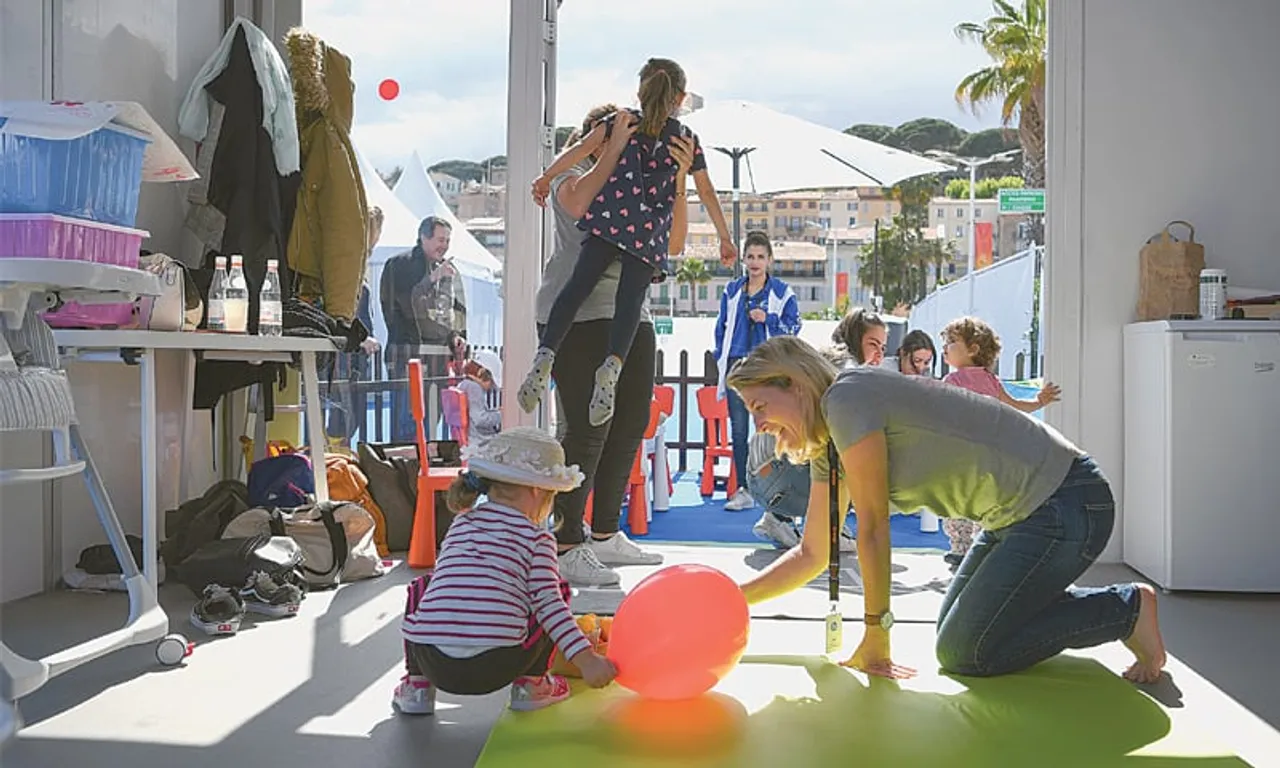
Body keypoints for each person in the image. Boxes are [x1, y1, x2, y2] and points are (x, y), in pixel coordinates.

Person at [726, 335, 1167, 684]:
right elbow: (813, 553)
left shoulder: (847, 398)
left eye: (760, 406)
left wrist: (877, 634)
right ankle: (1060, 600)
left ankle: (1124, 611)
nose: (759, 422)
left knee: (967, 652)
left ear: (796, 384)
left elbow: (875, 528)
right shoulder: (830, 442)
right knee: (955, 636)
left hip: (1066, 501)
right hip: (1013, 518)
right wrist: (732, 601)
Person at [519, 58, 737, 427]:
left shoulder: (622, 122)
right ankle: (612, 367)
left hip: (610, 222)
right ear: (681, 98)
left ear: (639, 91)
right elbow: (707, 191)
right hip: (647, 236)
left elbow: (576, 150)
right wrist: (725, 237)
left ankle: (545, 355)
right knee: (630, 305)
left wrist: (546, 177)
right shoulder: (685, 140)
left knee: (575, 288)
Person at [531, 104, 693, 587]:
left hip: (628, 317)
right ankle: (566, 540)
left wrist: (680, 178)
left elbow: (676, 243)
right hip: (576, 317)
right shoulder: (573, 175)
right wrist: (613, 146)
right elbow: (580, 205)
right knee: (585, 429)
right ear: (597, 138)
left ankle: (604, 533)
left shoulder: (643, 181)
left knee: (629, 424)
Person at [394, 427, 618, 716]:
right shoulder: (537, 538)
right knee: (552, 591)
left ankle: (417, 688)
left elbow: (454, 589)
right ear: (539, 491)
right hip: (496, 666)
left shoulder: (460, 524)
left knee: (424, 586)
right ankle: (532, 686)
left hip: (433, 662)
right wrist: (587, 660)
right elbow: (549, 605)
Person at [939, 316, 1063, 566]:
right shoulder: (991, 381)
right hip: (990, 455)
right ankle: (978, 546)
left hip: (961, 456)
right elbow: (1015, 405)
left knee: (957, 502)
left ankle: (960, 549)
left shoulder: (953, 380)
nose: (944, 348)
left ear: (973, 349)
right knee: (985, 501)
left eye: (951, 342)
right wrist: (1039, 401)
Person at [714, 231, 801, 512]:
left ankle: (778, 490)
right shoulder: (731, 291)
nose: (754, 262)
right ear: (743, 259)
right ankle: (744, 489)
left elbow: (794, 330)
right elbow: (721, 329)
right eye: (750, 256)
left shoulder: (782, 293)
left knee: (772, 429)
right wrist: (721, 358)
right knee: (738, 430)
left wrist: (769, 319)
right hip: (737, 368)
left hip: (767, 369)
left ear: (770, 260)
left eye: (760, 257)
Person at [381, 216, 468, 442]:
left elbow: (457, 310)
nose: (445, 245)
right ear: (423, 238)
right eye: (440, 239)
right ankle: (406, 469)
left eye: (448, 240)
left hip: (440, 359)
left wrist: (458, 336)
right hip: (409, 356)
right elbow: (402, 305)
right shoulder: (399, 265)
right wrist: (431, 279)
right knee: (407, 423)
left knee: (432, 424)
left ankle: (426, 463)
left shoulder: (450, 270)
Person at [328, 206, 384, 442]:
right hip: (347, 357)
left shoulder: (354, 263)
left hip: (353, 357)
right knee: (345, 417)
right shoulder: (349, 263)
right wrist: (361, 339)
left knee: (348, 417)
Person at [455, 349, 502, 444]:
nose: (491, 387)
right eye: (491, 382)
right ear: (482, 373)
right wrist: (500, 415)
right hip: (480, 442)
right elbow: (480, 419)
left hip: (470, 438)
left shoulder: (463, 385)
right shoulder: (474, 388)